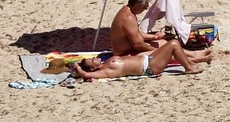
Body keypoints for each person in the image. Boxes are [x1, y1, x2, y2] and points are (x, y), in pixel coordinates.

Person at [71, 39, 214, 80]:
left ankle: (201, 59)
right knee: (174, 44)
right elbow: (86, 75)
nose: (95, 58)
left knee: (168, 46)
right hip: (149, 67)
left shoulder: (105, 62)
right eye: (92, 61)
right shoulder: (105, 71)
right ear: (93, 68)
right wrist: (77, 67)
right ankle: (189, 68)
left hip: (146, 59)